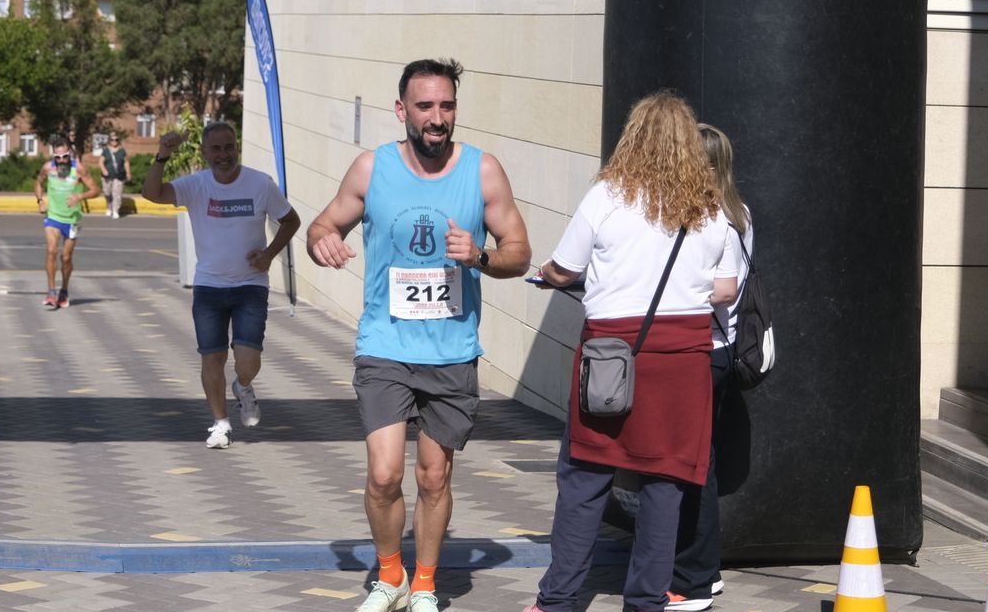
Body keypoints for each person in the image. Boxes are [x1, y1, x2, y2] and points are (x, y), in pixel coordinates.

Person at [307, 58, 531, 612]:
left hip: (451, 351)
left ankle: (426, 583)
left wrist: (479, 256)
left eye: (447, 106)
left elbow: (519, 253)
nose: (437, 118)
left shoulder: (482, 171)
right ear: (402, 109)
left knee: (433, 478)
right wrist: (322, 242)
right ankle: (390, 576)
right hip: (385, 345)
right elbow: (323, 223)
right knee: (384, 475)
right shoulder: (371, 168)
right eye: (426, 107)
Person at [523, 92, 739, 612]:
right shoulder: (711, 209)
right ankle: (645, 602)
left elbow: (564, 267)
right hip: (683, 363)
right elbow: (727, 286)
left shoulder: (606, 197)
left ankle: (558, 600)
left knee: (584, 478)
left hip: (611, 357)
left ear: (632, 138)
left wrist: (549, 277)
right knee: (666, 484)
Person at [143, 121, 301, 449]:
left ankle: (243, 386)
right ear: (204, 152)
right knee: (211, 358)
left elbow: (291, 219)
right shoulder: (196, 185)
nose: (224, 155)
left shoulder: (260, 183)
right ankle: (221, 423)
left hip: (250, 286)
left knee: (247, 360)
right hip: (209, 288)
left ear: (236, 147)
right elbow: (152, 194)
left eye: (229, 147)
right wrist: (161, 156)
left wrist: (270, 254)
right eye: (215, 149)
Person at [669, 123, 754, 612]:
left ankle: (694, 578)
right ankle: (703, 570)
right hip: (713, 351)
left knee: (692, 466)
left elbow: (725, 290)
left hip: (706, 349)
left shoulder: (723, 217)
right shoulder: (736, 211)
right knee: (702, 461)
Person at [35, 136, 100, 309]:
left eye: (65, 156)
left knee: (66, 257)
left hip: (72, 220)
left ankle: (64, 289)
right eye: (58, 157)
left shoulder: (78, 169)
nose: (62, 160)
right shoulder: (48, 168)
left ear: (70, 154)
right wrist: (40, 200)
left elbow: (95, 190)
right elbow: (38, 183)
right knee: (51, 249)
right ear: (53, 156)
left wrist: (80, 196)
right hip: (53, 217)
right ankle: (51, 291)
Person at [98, 134, 129, 219]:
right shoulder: (106, 151)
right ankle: (109, 207)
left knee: (117, 193)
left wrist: (128, 173)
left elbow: (126, 162)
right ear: (109, 141)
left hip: (119, 176)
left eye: (116, 140)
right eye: (112, 140)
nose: (114, 141)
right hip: (107, 177)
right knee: (107, 192)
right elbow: (100, 162)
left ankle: (115, 210)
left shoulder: (122, 151)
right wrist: (104, 170)